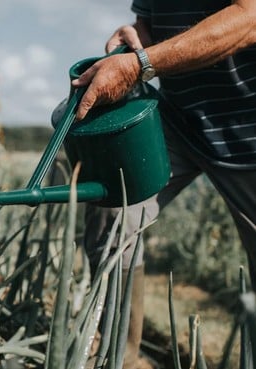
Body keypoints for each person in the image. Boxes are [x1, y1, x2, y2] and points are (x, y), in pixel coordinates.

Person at [72, 1, 256, 368]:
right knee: (115, 212)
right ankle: (117, 357)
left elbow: (249, 17)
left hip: (249, 131)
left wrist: (140, 65)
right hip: (179, 122)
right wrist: (139, 37)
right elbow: (151, 20)